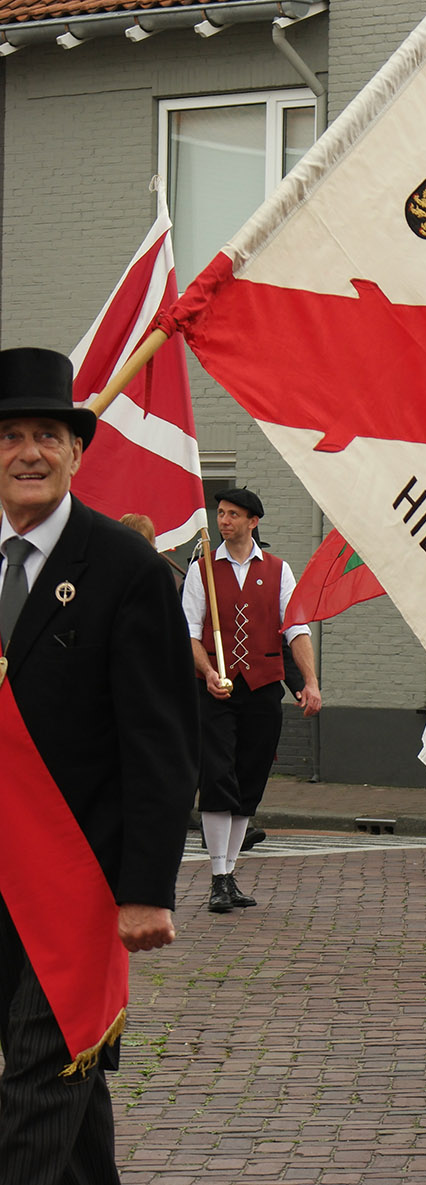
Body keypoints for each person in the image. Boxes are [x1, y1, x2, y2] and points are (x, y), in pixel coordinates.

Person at [0, 347, 198, 1182]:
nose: (29, 452)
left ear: (78, 451)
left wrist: (146, 885)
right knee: (70, 1107)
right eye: (12, 435)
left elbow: (160, 741)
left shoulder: (125, 569)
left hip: (69, 888)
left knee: (37, 1094)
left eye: (49, 433)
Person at [184, 488, 322, 913]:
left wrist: (311, 682)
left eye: (233, 515)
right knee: (218, 775)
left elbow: (295, 630)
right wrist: (207, 672)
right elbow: (188, 629)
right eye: (221, 513)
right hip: (217, 688)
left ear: (253, 521)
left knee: (249, 777)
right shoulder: (202, 569)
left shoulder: (279, 571)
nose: (224, 521)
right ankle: (218, 877)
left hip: (262, 687)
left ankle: (230, 872)